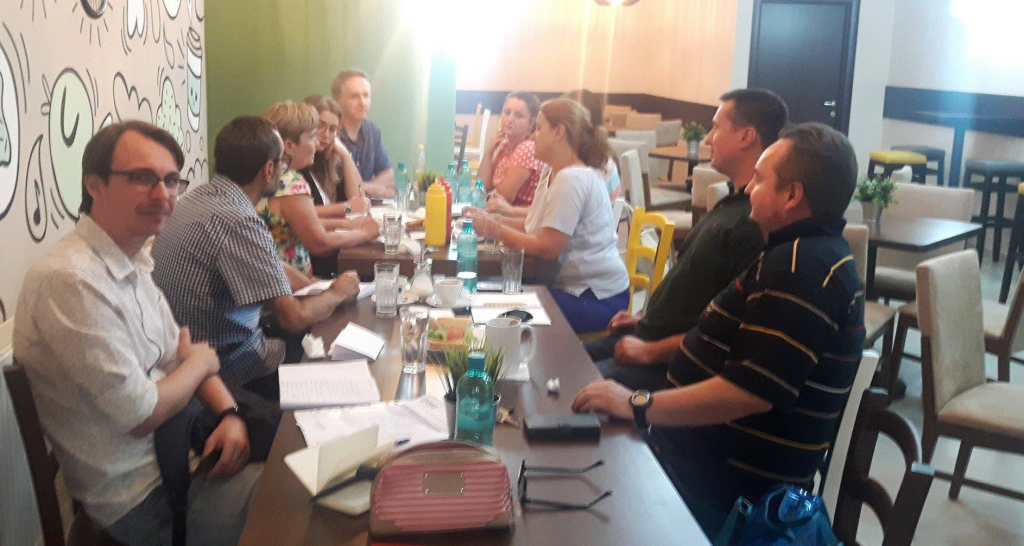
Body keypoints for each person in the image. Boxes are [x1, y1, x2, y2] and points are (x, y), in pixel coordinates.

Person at [573, 122, 865, 538]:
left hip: (724, 497)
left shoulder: (802, 270)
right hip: (696, 464)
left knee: (574, 501)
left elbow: (747, 393)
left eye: (759, 180)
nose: (749, 190)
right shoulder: (795, 254)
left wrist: (637, 403)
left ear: (791, 195)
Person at [13, 121, 261, 544]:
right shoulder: (71, 280)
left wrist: (229, 414)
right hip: (145, 501)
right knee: (304, 507)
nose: (163, 195)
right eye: (142, 178)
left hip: (183, 454)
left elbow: (176, 355)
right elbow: (141, 413)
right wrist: (201, 362)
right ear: (95, 184)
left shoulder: (132, 259)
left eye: (171, 180)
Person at [584, 89, 788, 391]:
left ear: (746, 136)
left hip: (674, 364)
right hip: (648, 337)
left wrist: (651, 350)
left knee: (565, 384)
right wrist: (644, 320)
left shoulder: (754, 224)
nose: (707, 139)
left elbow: (730, 334)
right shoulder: (731, 204)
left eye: (716, 127)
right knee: (558, 358)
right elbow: (695, 295)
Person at [153, 116, 363, 401]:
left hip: (184, 355)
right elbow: (294, 318)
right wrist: (338, 293)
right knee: (335, 361)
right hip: (226, 366)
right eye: (283, 162)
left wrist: (316, 287)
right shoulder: (239, 221)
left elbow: (268, 265)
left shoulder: (195, 199)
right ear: (269, 169)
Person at [470, 99, 629, 333]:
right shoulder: (551, 171)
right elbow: (534, 226)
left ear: (558, 132)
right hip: (571, 289)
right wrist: (492, 221)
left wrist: (495, 230)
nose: (533, 136)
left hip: (596, 296)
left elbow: (548, 248)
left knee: (498, 317)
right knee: (488, 301)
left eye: (539, 128)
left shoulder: (573, 178)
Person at [258, 101, 380, 283]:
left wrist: (347, 224)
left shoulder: (266, 174)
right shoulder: (290, 181)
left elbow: (301, 222)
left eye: (333, 130)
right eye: (311, 137)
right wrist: (364, 233)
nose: (317, 142)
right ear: (289, 146)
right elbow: (319, 244)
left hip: (277, 282)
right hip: (290, 289)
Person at [487, 89, 619, 218]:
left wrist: (507, 214)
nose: (533, 137)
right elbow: (542, 218)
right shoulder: (558, 166)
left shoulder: (581, 171)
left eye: (539, 128)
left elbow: (552, 222)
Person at [301, 94, 369, 214]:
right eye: (320, 126)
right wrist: (347, 208)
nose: (326, 135)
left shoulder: (333, 159)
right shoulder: (296, 162)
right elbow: (301, 213)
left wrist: (345, 155)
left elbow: (358, 201)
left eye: (332, 129)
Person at [477, 91, 546, 208]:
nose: (510, 119)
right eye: (507, 112)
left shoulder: (528, 148)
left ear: (531, 123)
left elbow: (504, 196)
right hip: (499, 211)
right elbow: (482, 187)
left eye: (519, 116)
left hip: (519, 216)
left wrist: (477, 203)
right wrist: (488, 152)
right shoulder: (505, 144)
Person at [331, 69, 394, 197]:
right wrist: (363, 188)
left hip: (366, 206)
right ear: (337, 100)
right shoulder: (328, 134)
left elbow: (388, 173)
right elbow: (331, 187)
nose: (362, 103)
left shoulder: (372, 130)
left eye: (366, 96)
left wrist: (365, 187)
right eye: (354, 96)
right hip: (339, 207)